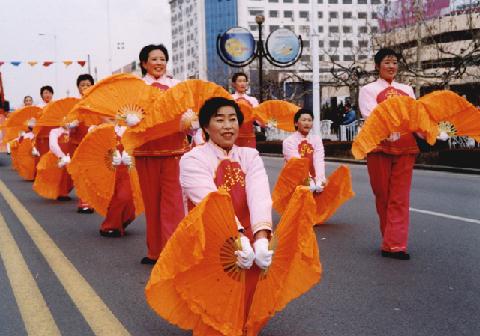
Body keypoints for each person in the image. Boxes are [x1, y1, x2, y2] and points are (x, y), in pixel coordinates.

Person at [179, 97, 273, 335]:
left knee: (247, 304)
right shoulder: (193, 159)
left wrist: (261, 238)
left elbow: (259, 195)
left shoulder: (250, 156)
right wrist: (237, 236)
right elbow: (210, 202)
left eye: (233, 119)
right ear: (205, 127)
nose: (228, 126)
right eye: (219, 120)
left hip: (247, 237)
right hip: (210, 237)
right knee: (216, 308)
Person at [125, 44, 196, 264]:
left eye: (162, 59)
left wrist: (191, 123)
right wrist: (129, 122)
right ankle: (154, 251)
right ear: (144, 63)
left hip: (174, 150)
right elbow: (123, 119)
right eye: (153, 59)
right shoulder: (136, 88)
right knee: (152, 203)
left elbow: (189, 113)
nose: (158, 63)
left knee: (173, 203)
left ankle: (172, 251)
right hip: (146, 152)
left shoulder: (177, 86)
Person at [358, 48, 418, 260]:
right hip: (379, 146)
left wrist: (431, 131)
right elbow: (370, 115)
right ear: (377, 66)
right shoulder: (368, 90)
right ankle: (389, 238)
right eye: (387, 62)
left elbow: (415, 115)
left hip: (405, 146)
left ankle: (396, 245)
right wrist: (388, 129)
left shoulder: (407, 89)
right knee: (383, 194)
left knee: (400, 197)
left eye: (394, 62)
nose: (391, 66)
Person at [99, 123, 136, 237]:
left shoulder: (132, 130)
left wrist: (130, 155)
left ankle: (123, 219)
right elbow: (98, 150)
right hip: (110, 171)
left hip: (127, 171)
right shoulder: (106, 130)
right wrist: (110, 156)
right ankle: (110, 226)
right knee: (113, 198)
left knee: (125, 197)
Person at [282, 108, 326, 192]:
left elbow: (319, 160)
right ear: (296, 123)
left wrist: (320, 180)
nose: (307, 123)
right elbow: (297, 164)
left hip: (314, 182)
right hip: (293, 182)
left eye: (310, 120)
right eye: (304, 120)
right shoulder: (289, 142)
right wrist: (308, 181)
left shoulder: (316, 140)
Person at [69, 74, 95, 213]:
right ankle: (84, 201)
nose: (85, 87)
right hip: (77, 143)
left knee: (92, 173)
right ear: (78, 88)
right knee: (81, 173)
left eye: (88, 84)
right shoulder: (74, 105)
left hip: (94, 143)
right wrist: (71, 125)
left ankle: (93, 200)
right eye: (82, 85)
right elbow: (65, 124)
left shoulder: (98, 103)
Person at [231, 72, 259, 148]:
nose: (242, 83)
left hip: (249, 136)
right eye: (239, 81)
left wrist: (270, 121)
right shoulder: (229, 99)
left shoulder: (252, 100)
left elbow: (258, 119)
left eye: (244, 81)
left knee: (249, 158)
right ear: (234, 84)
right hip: (232, 136)